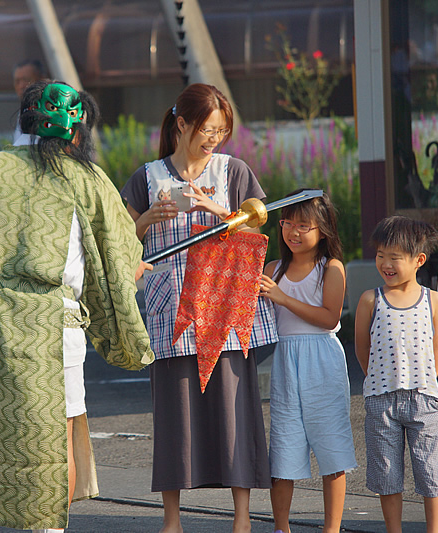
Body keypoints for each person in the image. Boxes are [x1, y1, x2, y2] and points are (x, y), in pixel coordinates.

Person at [0, 80, 154, 533]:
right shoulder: (89, 180)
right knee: (56, 438)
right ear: (78, 133)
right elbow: (120, 265)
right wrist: (128, 277)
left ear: (26, 122)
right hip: (56, 324)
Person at [121, 83, 277, 533]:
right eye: (206, 129)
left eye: (221, 131)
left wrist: (219, 211)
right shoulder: (147, 178)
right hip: (171, 310)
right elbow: (119, 247)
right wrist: (147, 219)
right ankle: (173, 520)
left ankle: (242, 517)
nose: (214, 139)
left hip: (225, 308)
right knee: (173, 411)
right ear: (182, 124)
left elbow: (259, 235)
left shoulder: (233, 172)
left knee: (235, 408)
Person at [258, 189, 357, 533]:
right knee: (284, 447)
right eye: (287, 223)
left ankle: (332, 528)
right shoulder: (274, 268)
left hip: (322, 359)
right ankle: (281, 527)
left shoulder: (331, 268)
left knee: (331, 447)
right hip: (285, 361)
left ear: (323, 229)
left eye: (304, 225)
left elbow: (330, 318)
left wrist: (282, 298)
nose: (294, 232)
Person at [354, 215, 438, 533]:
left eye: (394, 257)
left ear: (418, 260)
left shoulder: (433, 301)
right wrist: (379, 380)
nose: (386, 263)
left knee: (431, 472)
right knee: (387, 474)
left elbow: (437, 351)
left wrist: (424, 383)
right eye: (381, 255)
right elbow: (362, 348)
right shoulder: (370, 300)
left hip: (423, 399)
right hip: (381, 401)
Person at [12, 59, 48, 144]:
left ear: (42, 80)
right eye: (17, 81)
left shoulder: (51, 110)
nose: (21, 86)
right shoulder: (23, 110)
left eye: (26, 80)